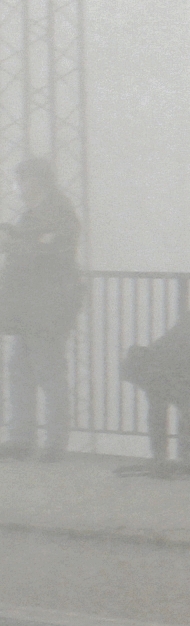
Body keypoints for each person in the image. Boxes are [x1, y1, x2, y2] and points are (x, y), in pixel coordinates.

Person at [0, 157, 82, 461]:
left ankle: (53, 443)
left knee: (48, 372)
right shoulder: (38, 214)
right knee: (21, 369)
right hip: (30, 308)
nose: (18, 186)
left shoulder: (58, 212)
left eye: (22, 179)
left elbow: (50, 253)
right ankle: (23, 437)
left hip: (46, 307)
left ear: (36, 180)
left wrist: (14, 243)